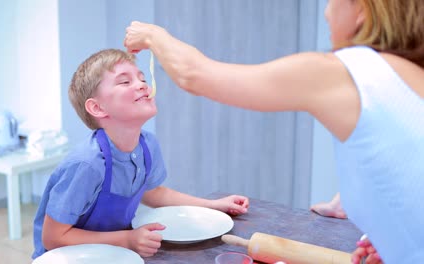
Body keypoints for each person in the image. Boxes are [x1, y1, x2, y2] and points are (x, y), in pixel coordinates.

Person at [123, 0, 424, 263]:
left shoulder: (349, 72)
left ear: (362, 10)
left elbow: (193, 74)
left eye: (332, 1)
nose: (327, 14)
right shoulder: (408, 77)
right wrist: (394, 238)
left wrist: (152, 34)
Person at [31, 49, 250, 260]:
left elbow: (154, 193)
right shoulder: (87, 165)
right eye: (125, 81)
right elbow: (53, 238)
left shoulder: (147, 145)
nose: (142, 85)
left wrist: (214, 205)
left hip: (110, 254)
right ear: (97, 108)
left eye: (142, 78)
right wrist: (127, 239)